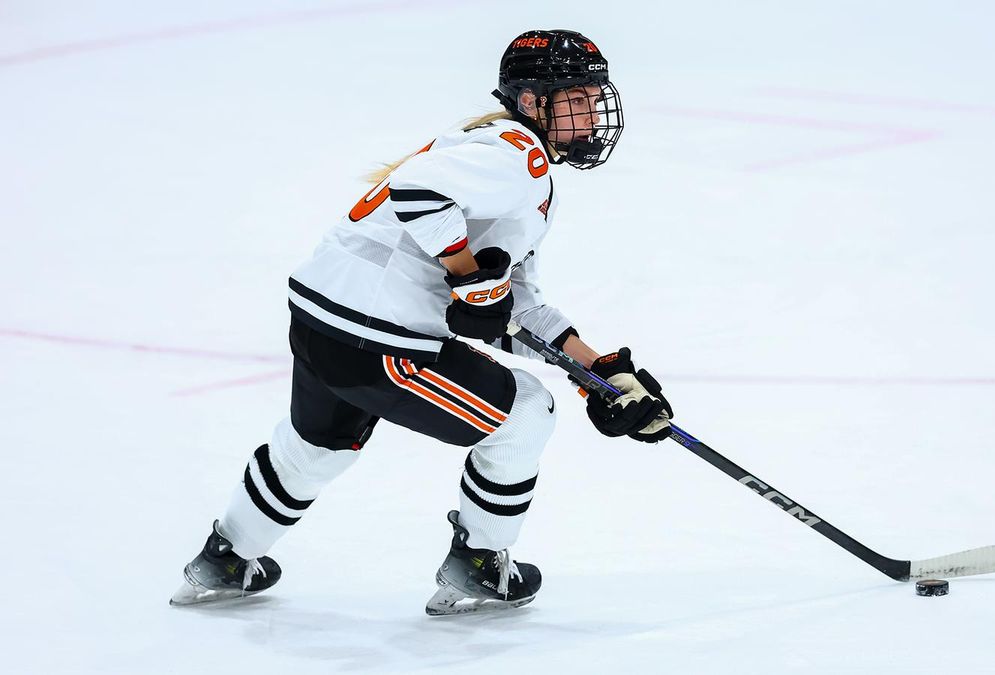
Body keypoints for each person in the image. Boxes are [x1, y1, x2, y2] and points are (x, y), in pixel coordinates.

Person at [171, 29, 674, 615]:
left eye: (594, 97)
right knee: (525, 413)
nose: (591, 112)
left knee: (318, 449)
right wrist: (467, 274)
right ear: (532, 101)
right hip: (378, 338)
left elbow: (512, 305)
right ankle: (479, 565)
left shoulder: (499, 153)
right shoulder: (516, 157)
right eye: (576, 98)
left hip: (322, 322)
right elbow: (418, 192)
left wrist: (598, 371)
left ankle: (225, 559)